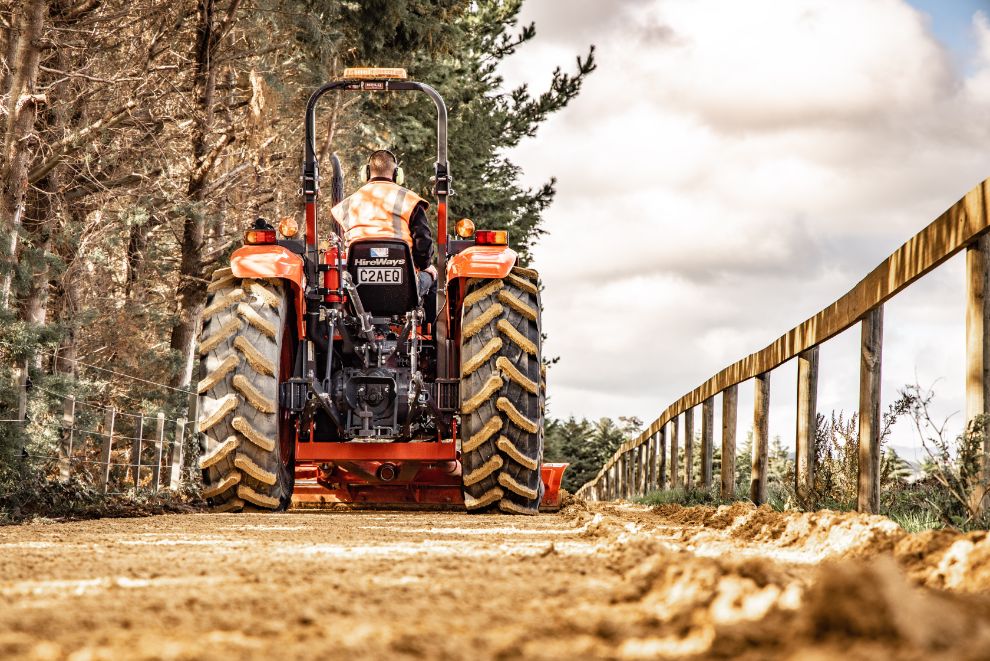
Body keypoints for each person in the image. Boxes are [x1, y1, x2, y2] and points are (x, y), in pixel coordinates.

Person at [330, 149, 437, 297]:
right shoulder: (409, 200)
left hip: (357, 289)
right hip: (403, 287)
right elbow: (423, 243)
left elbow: (337, 247)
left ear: (367, 173)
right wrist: (425, 266)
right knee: (433, 276)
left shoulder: (346, 205)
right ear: (397, 174)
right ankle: (425, 313)